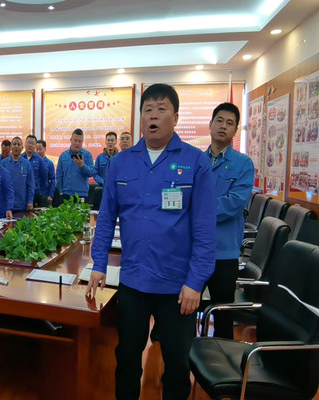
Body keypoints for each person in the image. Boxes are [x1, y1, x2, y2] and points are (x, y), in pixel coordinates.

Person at [87, 83, 216, 400]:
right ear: (140, 117)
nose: (153, 116)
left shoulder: (194, 162)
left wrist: (196, 282)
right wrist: (99, 264)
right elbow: (106, 218)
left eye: (161, 109)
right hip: (133, 281)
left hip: (178, 286)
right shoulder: (122, 162)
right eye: (147, 110)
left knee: (176, 365)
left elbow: (204, 229)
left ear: (175, 117)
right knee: (127, 359)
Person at [204, 102, 254, 339]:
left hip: (224, 252)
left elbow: (234, 203)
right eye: (219, 120)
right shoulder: (195, 161)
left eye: (230, 123)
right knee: (183, 309)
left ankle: (221, 358)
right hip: (194, 250)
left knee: (223, 315)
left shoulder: (243, 164)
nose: (223, 126)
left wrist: (197, 210)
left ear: (235, 130)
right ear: (210, 124)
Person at [55, 128, 95, 201]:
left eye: (80, 141)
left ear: (82, 142)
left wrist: (82, 166)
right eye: (75, 140)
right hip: (66, 194)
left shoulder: (87, 155)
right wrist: (60, 191)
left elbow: (91, 173)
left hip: (82, 194)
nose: (77, 143)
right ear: (71, 140)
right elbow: (59, 175)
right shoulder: (63, 155)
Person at [0, 137, 34, 213]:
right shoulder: (3, 163)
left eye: (18, 144)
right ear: (11, 147)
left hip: (22, 205)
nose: (16, 146)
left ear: (22, 147)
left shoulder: (27, 164)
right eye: (14, 144)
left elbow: (30, 185)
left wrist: (30, 201)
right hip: (6, 205)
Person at [21, 135, 47, 206]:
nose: (30, 145)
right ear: (25, 144)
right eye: (28, 143)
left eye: (32, 143)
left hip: (36, 194)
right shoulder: (20, 158)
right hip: (22, 194)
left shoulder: (39, 160)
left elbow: (44, 177)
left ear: (35, 146)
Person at [36, 139, 55, 206]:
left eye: (40, 149)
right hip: (34, 194)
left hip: (44, 194)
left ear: (45, 149)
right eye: (37, 149)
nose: (38, 151)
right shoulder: (32, 162)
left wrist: (50, 195)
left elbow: (52, 180)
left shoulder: (49, 163)